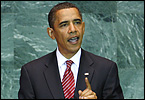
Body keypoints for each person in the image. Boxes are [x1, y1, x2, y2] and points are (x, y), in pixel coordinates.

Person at [18, 2, 124, 99]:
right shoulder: (32, 72)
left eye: (77, 23)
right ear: (51, 33)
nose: (73, 29)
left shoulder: (106, 69)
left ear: (83, 27)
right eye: (64, 25)